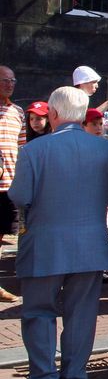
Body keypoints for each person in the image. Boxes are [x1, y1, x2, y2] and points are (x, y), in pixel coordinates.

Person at [8, 87, 108, 379]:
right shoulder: (103, 150)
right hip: (89, 243)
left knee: (38, 311)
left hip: (44, 242)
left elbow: (19, 196)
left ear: (54, 115)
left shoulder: (34, 151)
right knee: (82, 313)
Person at [0, 65, 26, 303]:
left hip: (9, 185)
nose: (9, 84)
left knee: (3, 237)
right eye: (4, 80)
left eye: (12, 80)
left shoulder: (17, 112)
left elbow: (21, 149)